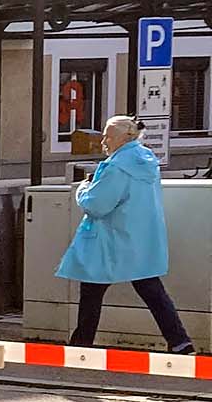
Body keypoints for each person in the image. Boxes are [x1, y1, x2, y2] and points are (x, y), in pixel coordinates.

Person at [56, 115, 198, 355]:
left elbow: (98, 204)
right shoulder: (146, 160)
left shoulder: (117, 166)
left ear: (123, 138)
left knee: (91, 290)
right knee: (151, 289)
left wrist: (82, 189)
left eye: (108, 136)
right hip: (140, 238)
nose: (103, 141)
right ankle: (180, 342)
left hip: (110, 239)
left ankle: (81, 346)